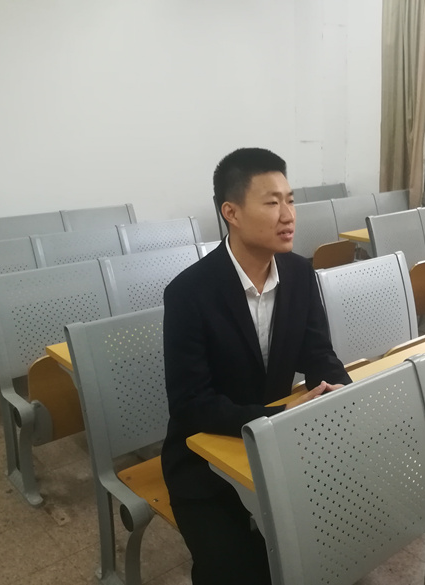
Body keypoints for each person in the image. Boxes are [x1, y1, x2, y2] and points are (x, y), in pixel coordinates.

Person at [161, 147, 351, 584]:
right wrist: (277, 415)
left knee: (336, 541)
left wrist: (341, 394)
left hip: (280, 444)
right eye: (271, 202)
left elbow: (318, 355)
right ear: (231, 212)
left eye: (290, 200)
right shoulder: (189, 293)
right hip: (205, 456)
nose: (288, 215)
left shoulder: (299, 274)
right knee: (238, 572)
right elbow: (191, 405)